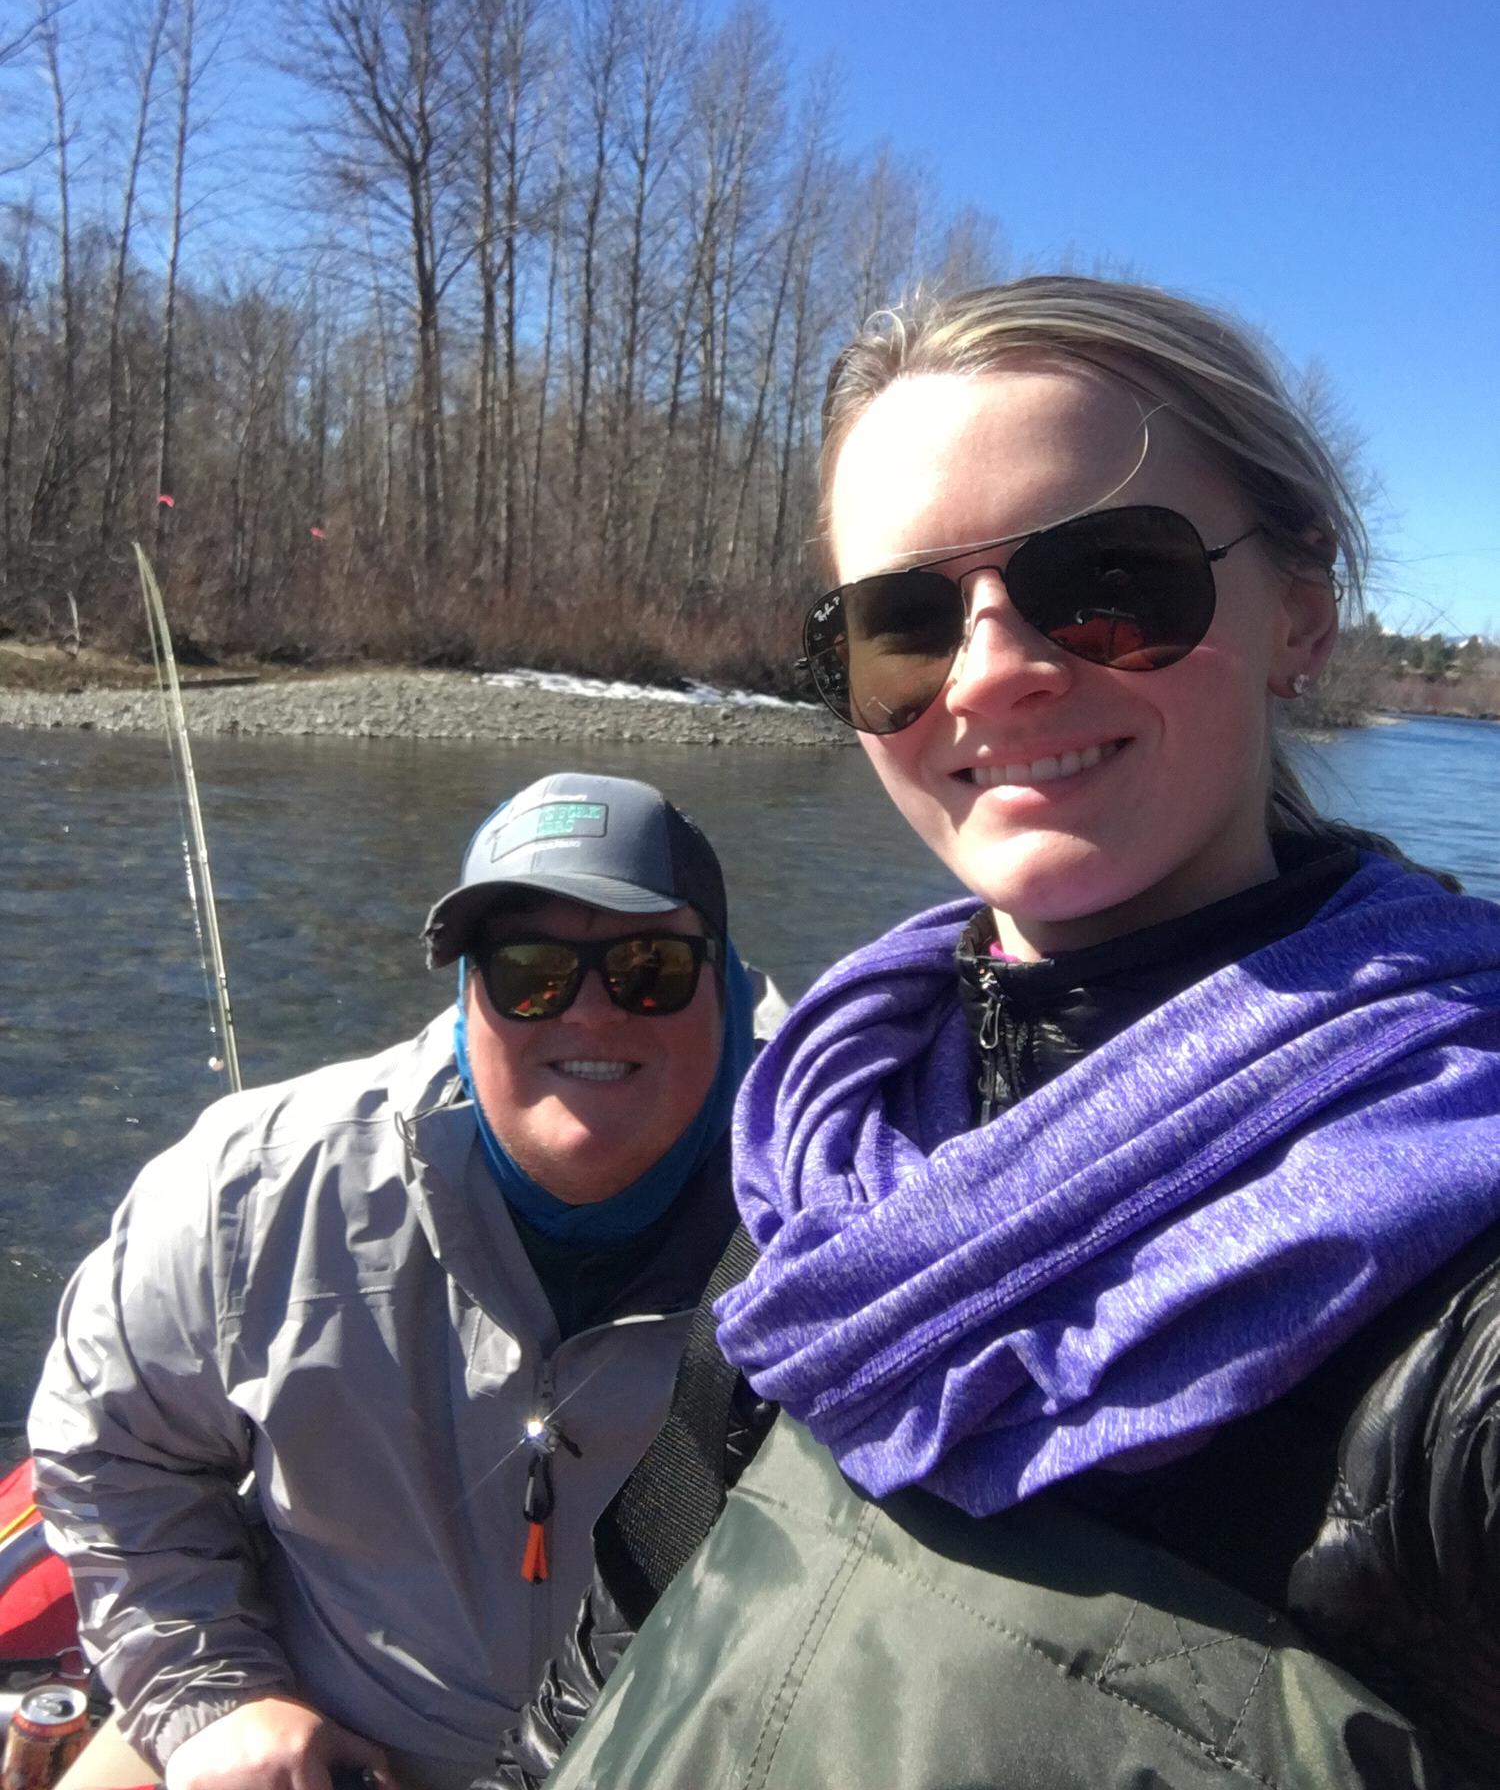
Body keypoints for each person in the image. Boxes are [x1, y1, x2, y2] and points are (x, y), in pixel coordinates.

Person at [524, 280, 1500, 1790]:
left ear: (1300, 613)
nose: (989, 671)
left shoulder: (1464, 1257)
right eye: (904, 624)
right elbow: (610, 1668)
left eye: (1109, 581)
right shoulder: (829, 1129)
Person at [29, 771, 779, 1790]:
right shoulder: (252, 1187)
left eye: (650, 968)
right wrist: (212, 1694)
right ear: (467, 994)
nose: (592, 1013)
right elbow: (105, 1439)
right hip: (335, 1740)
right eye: (528, 972)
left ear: (724, 982)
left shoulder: (838, 1208)